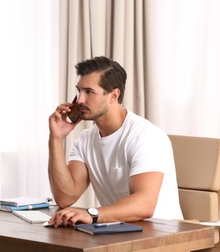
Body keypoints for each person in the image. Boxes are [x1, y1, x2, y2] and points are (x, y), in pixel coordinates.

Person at [48, 56, 183, 228]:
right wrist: (56, 139)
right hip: (118, 233)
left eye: (89, 92)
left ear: (114, 95)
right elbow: (65, 197)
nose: (80, 100)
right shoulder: (86, 140)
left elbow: (145, 205)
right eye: (79, 91)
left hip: (161, 237)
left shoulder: (145, 136)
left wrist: (91, 214)